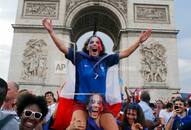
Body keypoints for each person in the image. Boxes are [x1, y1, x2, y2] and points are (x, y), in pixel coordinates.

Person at [42, 17, 152, 130]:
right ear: (87, 46)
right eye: (91, 42)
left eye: (97, 42)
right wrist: (51, 32)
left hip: (101, 104)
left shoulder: (106, 59)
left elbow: (125, 53)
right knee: (77, 127)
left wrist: (139, 42)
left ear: (100, 47)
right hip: (81, 104)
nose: (94, 44)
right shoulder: (79, 57)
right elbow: (62, 48)